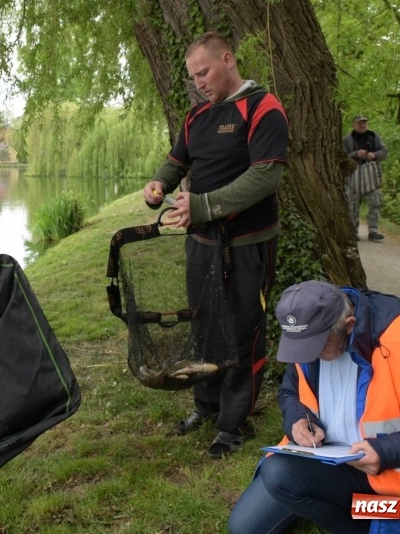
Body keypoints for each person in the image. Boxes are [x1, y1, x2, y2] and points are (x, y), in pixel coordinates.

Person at [228, 280, 400, 534]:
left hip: (389, 472)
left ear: (348, 326)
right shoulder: (307, 339)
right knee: (244, 528)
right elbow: (290, 392)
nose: (308, 355)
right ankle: (326, 499)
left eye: (316, 347)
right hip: (325, 458)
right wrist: (298, 419)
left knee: (279, 476)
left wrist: (386, 451)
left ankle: (369, 521)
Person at [142, 32, 289, 458]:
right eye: (193, 77)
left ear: (228, 59)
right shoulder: (196, 117)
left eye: (203, 72)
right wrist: (159, 182)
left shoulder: (264, 108)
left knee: (243, 334)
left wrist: (203, 204)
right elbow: (177, 161)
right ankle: (205, 408)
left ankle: (232, 424)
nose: (199, 83)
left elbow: (265, 177)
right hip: (201, 243)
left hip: (248, 244)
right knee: (204, 327)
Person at [343, 115, 388, 241]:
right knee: (352, 204)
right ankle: (353, 231)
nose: (362, 125)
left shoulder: (374, 136)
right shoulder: (347, 139)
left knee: (375, 203)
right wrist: (355, 154)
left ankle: (373, 231)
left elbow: (384, 151)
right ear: (354, 124)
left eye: (364, 123)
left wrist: (375, 154)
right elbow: (342, 157)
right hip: (354, 175)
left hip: (372, 175)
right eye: (359, 123)